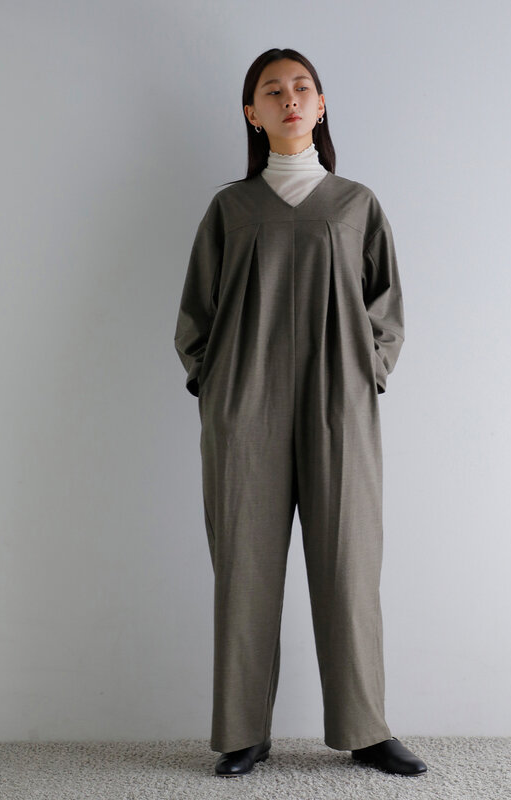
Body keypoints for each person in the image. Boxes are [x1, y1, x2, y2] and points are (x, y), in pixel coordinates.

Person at [174, 47, 428, 779]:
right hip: (243, 406)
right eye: (271, 90)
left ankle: (365, 728)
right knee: (244, 570)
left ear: (320, 104)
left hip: (338, 403)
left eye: (302, 86)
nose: (289, 98)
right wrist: (214, 382)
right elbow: (195, 314)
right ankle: (243, 732)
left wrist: (367, 370)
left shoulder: (356, 205)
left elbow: (387, 307)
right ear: (251, 113)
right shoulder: (230, 210)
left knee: (349, 566)